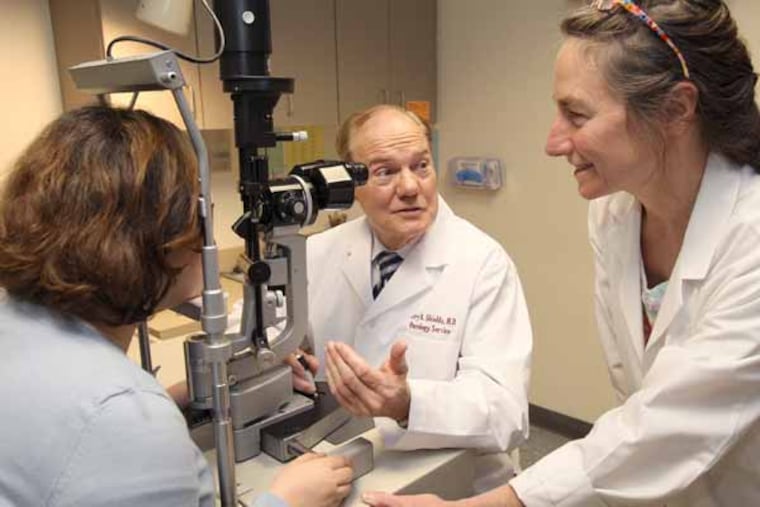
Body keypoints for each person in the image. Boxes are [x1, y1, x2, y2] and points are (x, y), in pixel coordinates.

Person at [361, 1, 760, 506]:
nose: (553, 142)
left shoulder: (751, 241)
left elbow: (668, 426)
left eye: (576, 114)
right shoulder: (615, 214)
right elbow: (638, 411)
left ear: (677, 109)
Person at [0, 106, 352, 507]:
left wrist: (180, 393)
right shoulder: (123, 417)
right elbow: (106, 424)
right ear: (164, 234)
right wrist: (287, 500)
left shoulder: (16, 326)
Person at [289, 104, 532, 492]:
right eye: (385, 171)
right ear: (351, 183)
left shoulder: (482, 263)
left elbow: (507, 414)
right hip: (342, 472)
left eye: (421, 166)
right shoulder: (317, 252)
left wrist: (408, 403)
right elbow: (262, 326)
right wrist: (275, 354)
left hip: (455, 487)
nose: (410, 187)